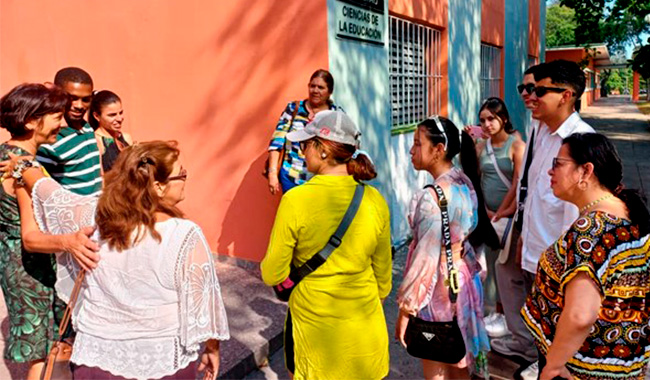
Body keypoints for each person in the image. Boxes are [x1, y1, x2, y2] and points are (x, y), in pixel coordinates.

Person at [12, 140, 230, 379]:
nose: (186, 180)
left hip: (97, 357)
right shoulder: (184, 234)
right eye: (182, 174)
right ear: (158, 186)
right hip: (161, 359)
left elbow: (50, 193)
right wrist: (212, 348)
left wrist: (23, 166)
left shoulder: (95, 215)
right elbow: (203, 304)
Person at [261, 110, 391, 380]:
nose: (301, 150)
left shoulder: (296, 200)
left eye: (305, 144)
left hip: (316, 340)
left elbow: (272, 272)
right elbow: (383, 279)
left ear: (323, 150)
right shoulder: (375, 200)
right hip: (366, 338)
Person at [492, 60, 595, 379]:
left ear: (566, 95)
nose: (530, 96)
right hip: (534, 247)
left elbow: (581, 213)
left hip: (559, 260)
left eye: (539, 90)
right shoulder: (539, 129)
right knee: (540, 323)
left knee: (561, 328)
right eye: (528, 89)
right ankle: (542, 360)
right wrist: (523, 231)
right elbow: (533, 187)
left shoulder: (582, 141)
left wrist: (565, 264)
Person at [522, 133, 650, 379]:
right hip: (616, 363)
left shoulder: (593, 228)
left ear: (585, 171)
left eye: (557, 164)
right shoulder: (625, 210)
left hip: (578, 366)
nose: (551, 172)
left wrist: (554, 365)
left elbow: (581, 314)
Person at [0, 83, 99, 380]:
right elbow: (31, 237)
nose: (62, 122)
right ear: (31, 121)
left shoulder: (7, 154)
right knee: (42, 354)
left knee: (48, 348)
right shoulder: (24, 168)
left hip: (12, 260)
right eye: (56, 116)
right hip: (30, 267)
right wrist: (69, 241)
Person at [395, 116, 495, 380]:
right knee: (459, 360)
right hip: (462, 280)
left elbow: (424, 260)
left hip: (439, 287)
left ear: (439, 149)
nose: (411, 150)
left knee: (437, 365)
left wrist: (407, 310)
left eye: (418, 143)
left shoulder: (431, 198)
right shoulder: (464, 181)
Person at [475, 97, 525, 338]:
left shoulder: (516, 145)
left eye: (491, 118)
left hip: (510, 217)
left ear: (503, 118)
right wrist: (485, 211)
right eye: (482, 120)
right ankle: (495, 312)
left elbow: (518, 182)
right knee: (492, 264)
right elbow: (476, 180)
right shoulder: (480, 147)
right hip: (488, 216)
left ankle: (510, 315)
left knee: (509, 268)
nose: (486, 124)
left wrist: (504, 211)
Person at [267, 69, 341, 194]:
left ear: (330, 92)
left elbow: (344, 147)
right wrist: (272, 173)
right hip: (292, 177)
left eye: (321, 87)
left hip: (323, 181)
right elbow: (277, 141)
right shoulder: (293, 109)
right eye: (313, 86)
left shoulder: (336, 115)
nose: (315, 91)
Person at [36, 67, 102, 196]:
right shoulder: (50, 138)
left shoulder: (86, 127)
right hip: (72, 213)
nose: (79, 106)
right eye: (72, 98)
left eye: (85, 100)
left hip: (96, 211)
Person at [89, 90, 133, 172]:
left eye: (121, 113)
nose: (119, 119)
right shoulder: (96, 142)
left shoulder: (126, 138)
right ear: (96, 116)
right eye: (112, 115)